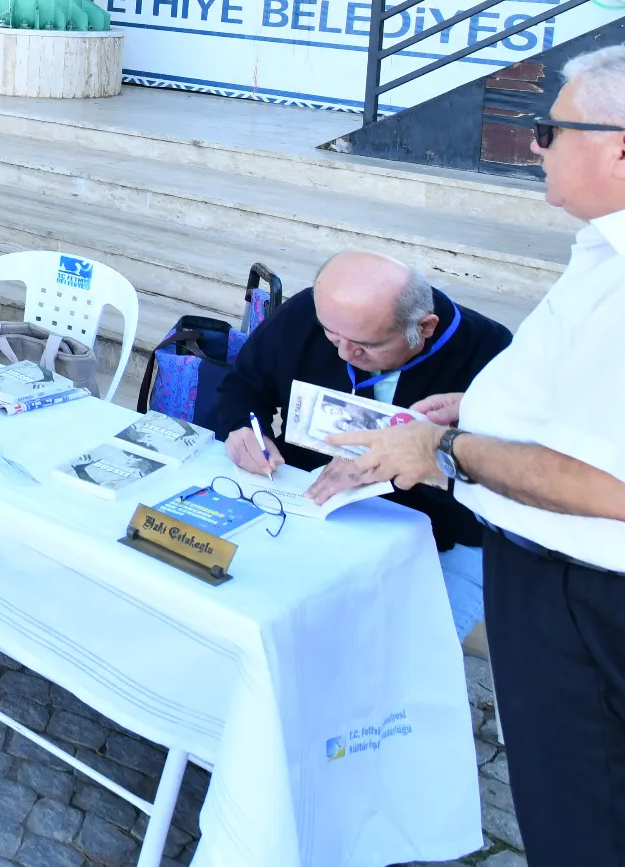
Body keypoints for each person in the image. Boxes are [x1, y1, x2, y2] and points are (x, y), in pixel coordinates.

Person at [325, 46, 625, 861]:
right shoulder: (610, 250)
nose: (535, 147)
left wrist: (447, 447)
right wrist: (490, 407)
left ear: (624, 149)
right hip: (567, 582)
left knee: (585, 821)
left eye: (550, 129)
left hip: (585, 595)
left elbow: (615, 485)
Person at [202, 250, 511, 634]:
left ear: (425, 327)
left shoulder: (492, 354)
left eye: (366, 344)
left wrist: (400, 466)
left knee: (407, 654)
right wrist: (243, 428)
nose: (344, 352)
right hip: (306, 504)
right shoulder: (312, 314)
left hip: (437, 532)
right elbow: (243, 385)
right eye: (332, 336)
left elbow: (495, 489)